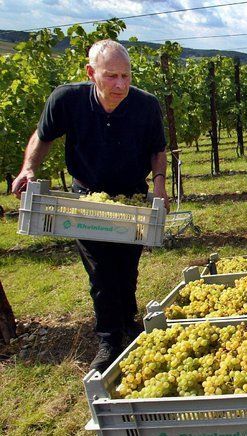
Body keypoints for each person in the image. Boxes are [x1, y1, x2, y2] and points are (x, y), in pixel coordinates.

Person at [11, 39, 169, 372]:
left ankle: (128, 322)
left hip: (132, 197)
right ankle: (109, 337)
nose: (121, 85)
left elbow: (158, 150)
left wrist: (159, 187)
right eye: (111, 76)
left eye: (125, 76)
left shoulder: (145, 105)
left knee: (127, 265)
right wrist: (29, 168)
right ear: (91, 73)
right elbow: (43, 135)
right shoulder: (67, 100)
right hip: (88, 199)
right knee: (100, 269)